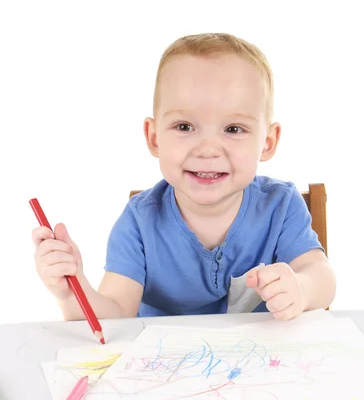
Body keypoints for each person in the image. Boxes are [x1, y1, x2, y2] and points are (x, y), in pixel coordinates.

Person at [32, 33, 336, 321]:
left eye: (233, 129)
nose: (207, 149)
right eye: (184, 127)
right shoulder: (139, 223)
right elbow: (115, 315)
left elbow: (321, 276)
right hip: (164, 371)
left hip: (263, 367)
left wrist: (302, 288)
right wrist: (72, 293)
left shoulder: (281, 206)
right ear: (154, 138)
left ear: (267, 142)